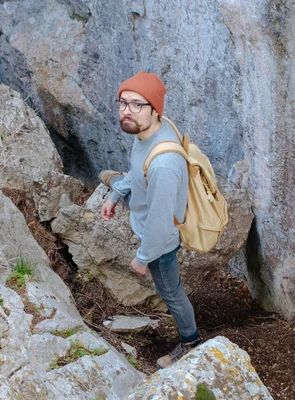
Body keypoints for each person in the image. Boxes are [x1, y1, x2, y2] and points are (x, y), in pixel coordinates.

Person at [99, 71, 200, 369]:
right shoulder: (146, 131)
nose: (126, 111)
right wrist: (115, 195)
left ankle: (191, 342)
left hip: (161, 241)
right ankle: (114, 184)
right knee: (111, 180)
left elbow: (160, 224)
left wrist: (143, 258)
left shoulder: (163, 166)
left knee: (170, 292)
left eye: (136, 105)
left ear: (155, 110)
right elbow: (137, 168)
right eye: (123, 102)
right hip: (146, 202)